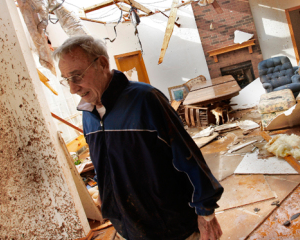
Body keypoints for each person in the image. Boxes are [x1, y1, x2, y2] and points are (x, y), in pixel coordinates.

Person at [53, 35, 224, 240]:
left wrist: (206, 212)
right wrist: (103, 192)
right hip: (129, 228)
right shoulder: (88, 114)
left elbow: (189, 158)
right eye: (67, 80)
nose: (72, 88)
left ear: (102, 63)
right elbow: (104, 160)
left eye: (77, 76)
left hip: (172, 229)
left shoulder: (146, 100)